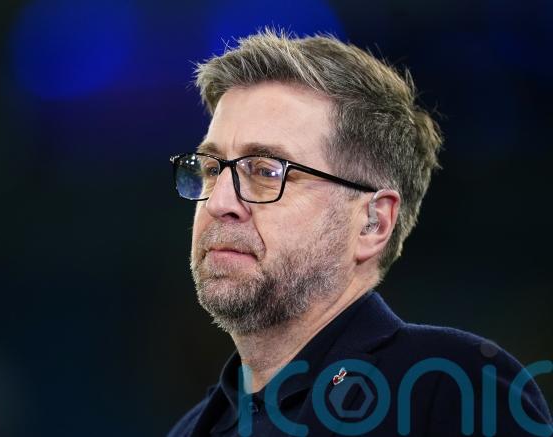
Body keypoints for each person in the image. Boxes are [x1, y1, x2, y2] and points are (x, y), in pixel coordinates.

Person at [168, 29, 552, 436]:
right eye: (211, 168)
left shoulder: (453, 391)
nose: (219, 202)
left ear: (373, 222)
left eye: (266, 171)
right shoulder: (190, 429)